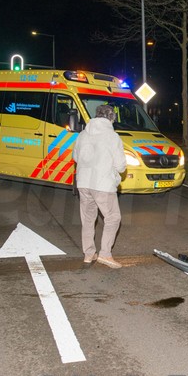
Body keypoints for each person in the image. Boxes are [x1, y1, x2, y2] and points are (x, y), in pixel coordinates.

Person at [72, 105, 127, 268]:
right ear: (111, 118)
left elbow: (75, 157)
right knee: (113, 218)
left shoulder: (82, 134)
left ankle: (89, 254)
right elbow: (121, 166)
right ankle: (105, 254)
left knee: (88, 219)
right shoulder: (112, 136)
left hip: (83, 182)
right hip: (102, 184)